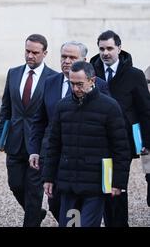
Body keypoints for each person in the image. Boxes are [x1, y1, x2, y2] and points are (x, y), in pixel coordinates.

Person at [28, 41, 110, 222]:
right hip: (55, 157)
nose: (66, 61)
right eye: (63, 56)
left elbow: (109, 124)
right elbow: (39, 120)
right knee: (55, 203)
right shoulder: (50, 83)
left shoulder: (101, 86)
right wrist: (34, 149)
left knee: (79, 204)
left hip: (85, 161)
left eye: (72, 57)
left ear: (84, 60)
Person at [43, 61, 130, 227]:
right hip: (68, 184)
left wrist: (118, 183)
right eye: (72, 84)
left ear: (92, 80)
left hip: (95, 186)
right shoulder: (62, 106)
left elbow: (120, 148)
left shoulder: (110, 107)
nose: (75, 88)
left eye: (80, 84)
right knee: (70, 225)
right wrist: (48, 177)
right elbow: (54, 145)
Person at [0, 34, 57, 227]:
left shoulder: (53, 78)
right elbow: (6, 107)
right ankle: (35, 212)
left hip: (38, 145)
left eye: (35, 53)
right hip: (14, 141)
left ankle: (31, 219)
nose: (30, 56)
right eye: (27, 51)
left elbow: (51, 116)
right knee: (15, 184)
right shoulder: (13, 73)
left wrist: (47, 144)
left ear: (45, 53)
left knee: (33, 191)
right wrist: (0, 136)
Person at [90, 30, 150, 227]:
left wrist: (147, 142)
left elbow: (145, 110)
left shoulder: (135, 75)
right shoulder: (91, 72)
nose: (105, 53)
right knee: (101, 186)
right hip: (95, 139)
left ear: (119, 48)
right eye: (102, 49)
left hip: (121, 140)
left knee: (117, 186)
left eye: (109, 48)